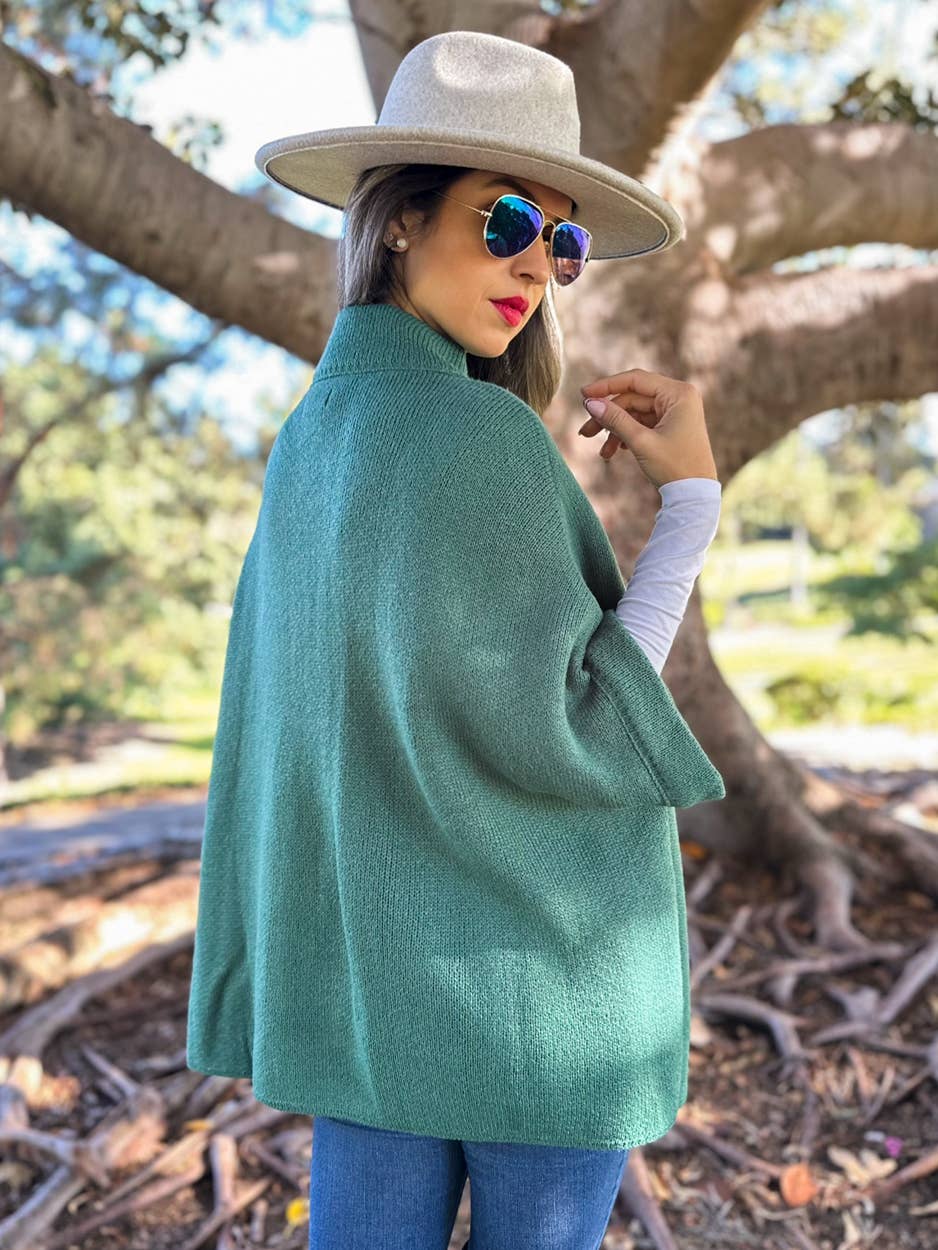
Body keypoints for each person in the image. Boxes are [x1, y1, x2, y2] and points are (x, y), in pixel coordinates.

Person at [186, 30, 726, 1250]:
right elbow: (594, 716)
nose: (536, 263)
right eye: (505, 221)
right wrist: (690, 500)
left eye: (560, 242)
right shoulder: (477, 436)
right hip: (527, 992)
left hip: (364, 996)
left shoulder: (310, 443)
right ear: (397, 221)